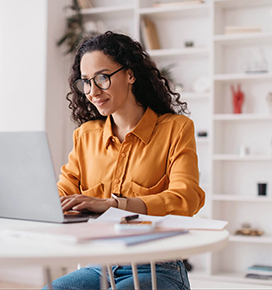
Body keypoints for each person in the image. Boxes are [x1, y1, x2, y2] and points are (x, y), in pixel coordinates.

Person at [44, 31, 205, 290]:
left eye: (102, 78)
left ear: (130, 74)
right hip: (99, 265)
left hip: (158, 267)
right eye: (86, 81)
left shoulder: (176, 129)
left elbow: (186, 198)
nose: (92, 91)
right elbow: (64, 193)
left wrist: (114, 204)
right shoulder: (86, 136)